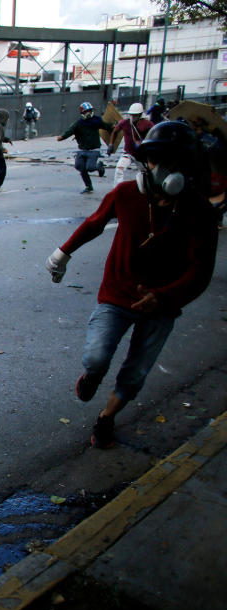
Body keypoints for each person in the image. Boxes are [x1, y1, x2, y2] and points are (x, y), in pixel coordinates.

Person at [45, 122, 218, 449]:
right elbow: (95, 223)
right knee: (97, 357)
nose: (166, 168)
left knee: (136, 373)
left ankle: (106, 418)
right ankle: (93, 376)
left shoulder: (199, 213)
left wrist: (163, 297)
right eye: (158, 159)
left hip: (162, 308)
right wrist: (62, 254)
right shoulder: (125, 195)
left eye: (176, 161)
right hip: (116, 295)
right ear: (146, 162)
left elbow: (200, 273)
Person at [57, 102, 111, 194]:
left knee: (90, 167)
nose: (88, 113)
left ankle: (99, 167)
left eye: (90, 111)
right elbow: (70, 131)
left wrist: (116, 127)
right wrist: (62, 137)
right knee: (80, 167)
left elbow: (107, 126)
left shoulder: (96, 120)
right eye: (86, 111)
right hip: (82, 150)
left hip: (94, 150)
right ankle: (88, 186)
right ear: (82, 112)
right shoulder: (79, 123)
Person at [108, 103, 153, 187]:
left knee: (146, 173)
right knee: (119, 169)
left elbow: (154, 134)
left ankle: (147, 189)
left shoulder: (147, 124)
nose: (133, 117)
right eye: (131, 115)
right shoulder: (125, 123)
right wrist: (111, 144)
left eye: (135, 115)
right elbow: (115, 131)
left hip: (141, 155)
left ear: (140, 114)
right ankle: (118, 189)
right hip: (128, 153)